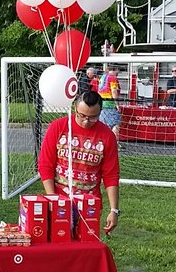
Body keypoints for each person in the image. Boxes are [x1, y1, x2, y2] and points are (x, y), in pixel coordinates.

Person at [37, 89, 120, 234]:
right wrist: (52, 198)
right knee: (58, 242)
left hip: (89, 203)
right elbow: (45, 166)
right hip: (59, 198)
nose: (87, 121)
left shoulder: (107, 136)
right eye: (82, 116)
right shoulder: (58, 128)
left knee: (85, 247)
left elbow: (111, 175)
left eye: (93, 117)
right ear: (75, 108)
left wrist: (114, 210)